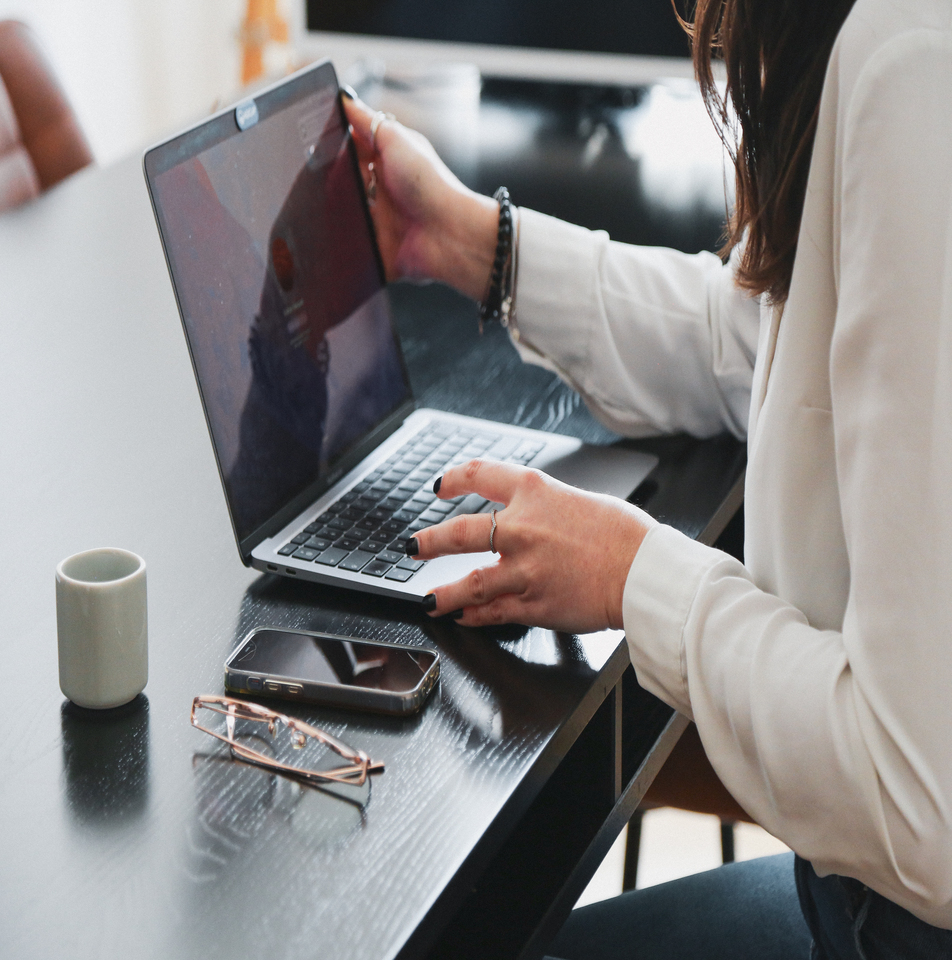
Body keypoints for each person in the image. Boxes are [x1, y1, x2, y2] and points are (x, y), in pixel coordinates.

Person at [341, 0, 952, 955]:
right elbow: (753, 337)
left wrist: (635, 575)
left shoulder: (914, 60)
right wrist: (475, 244)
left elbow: (921, 803)